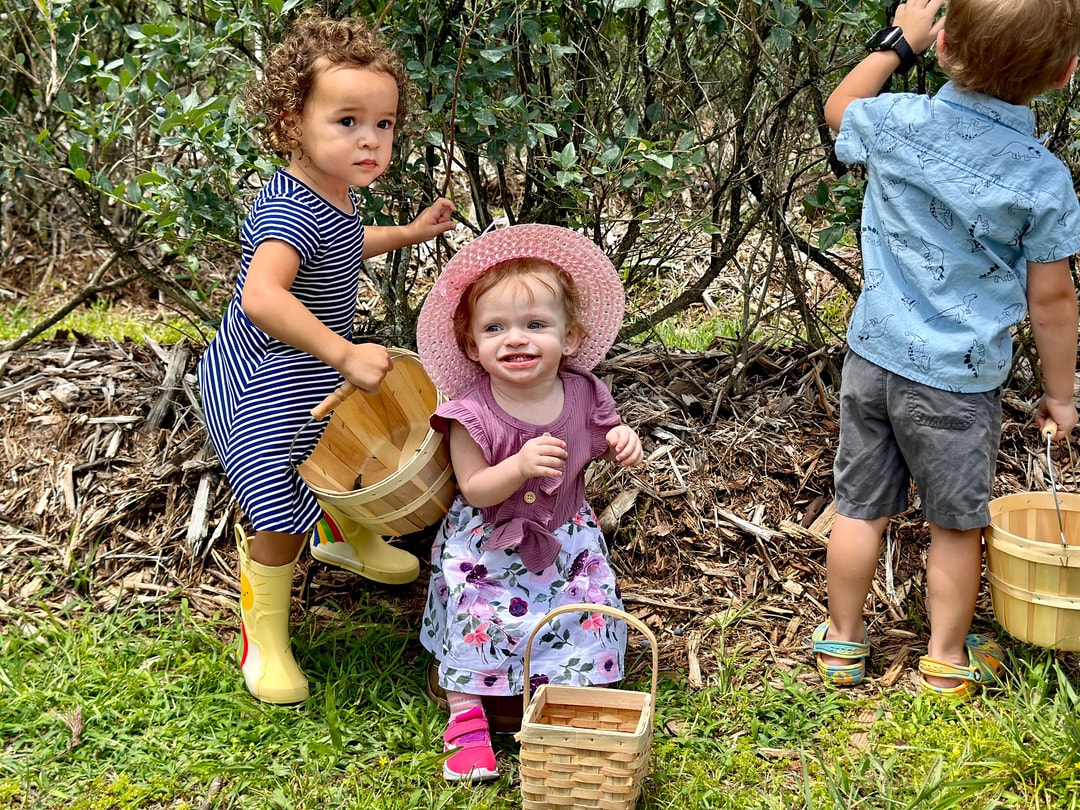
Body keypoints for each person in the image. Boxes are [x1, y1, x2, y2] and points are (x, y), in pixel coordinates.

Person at [815, 0, 1080, 699]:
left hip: (873, 357)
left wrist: (896, 44)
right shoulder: (1042, 179)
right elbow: (1051, 302)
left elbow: (841, 107)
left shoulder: (896, 123)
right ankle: (946, 657)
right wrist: (1060, 393)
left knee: (858, 509)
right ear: (1064, 72)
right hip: (959, 384)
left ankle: (843, 643)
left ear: (943, 43)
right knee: (957, 526)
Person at [197, 11, 457, 705]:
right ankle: (265, 638)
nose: (370, 140)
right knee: (276, 504)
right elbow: (261, 297)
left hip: (304, 366)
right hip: (252, 376)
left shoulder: (331, 195)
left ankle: (342, 534)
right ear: (290, 123)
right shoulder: (287, 210)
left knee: (332, 444)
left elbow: (344, 241)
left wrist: (408, 232)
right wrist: (343, 351)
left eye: (384, 124)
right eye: (348, 121)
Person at [415, 223, 643, 781]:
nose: (516, 339)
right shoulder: (471, 412)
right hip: (488, 545)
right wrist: (516, 467)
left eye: (535, 324)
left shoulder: (584, 390)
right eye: (496, 328)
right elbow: (473, 488)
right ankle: (467, 720)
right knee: (481, 618)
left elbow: (606, 432)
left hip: (567, 538)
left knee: (587, 610)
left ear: (568, 337)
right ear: (473, 345)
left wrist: (622, 443)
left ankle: (569, 700)